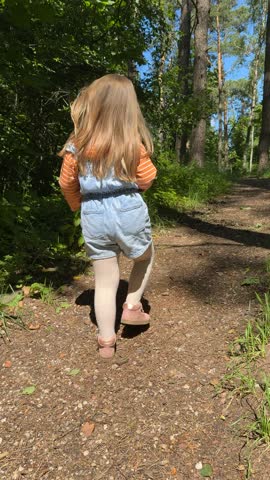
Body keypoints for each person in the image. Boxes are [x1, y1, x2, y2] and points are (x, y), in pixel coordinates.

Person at [58, 74, 157, 359]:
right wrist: (135, 188)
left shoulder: (77, 145)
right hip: (128, 208)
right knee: (145, 256)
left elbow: (66, 183)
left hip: (92, 212)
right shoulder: (131, 144)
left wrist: (78, 204)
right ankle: (132, 305)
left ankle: (106, 341)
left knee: (104, 280)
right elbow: (148, 177)